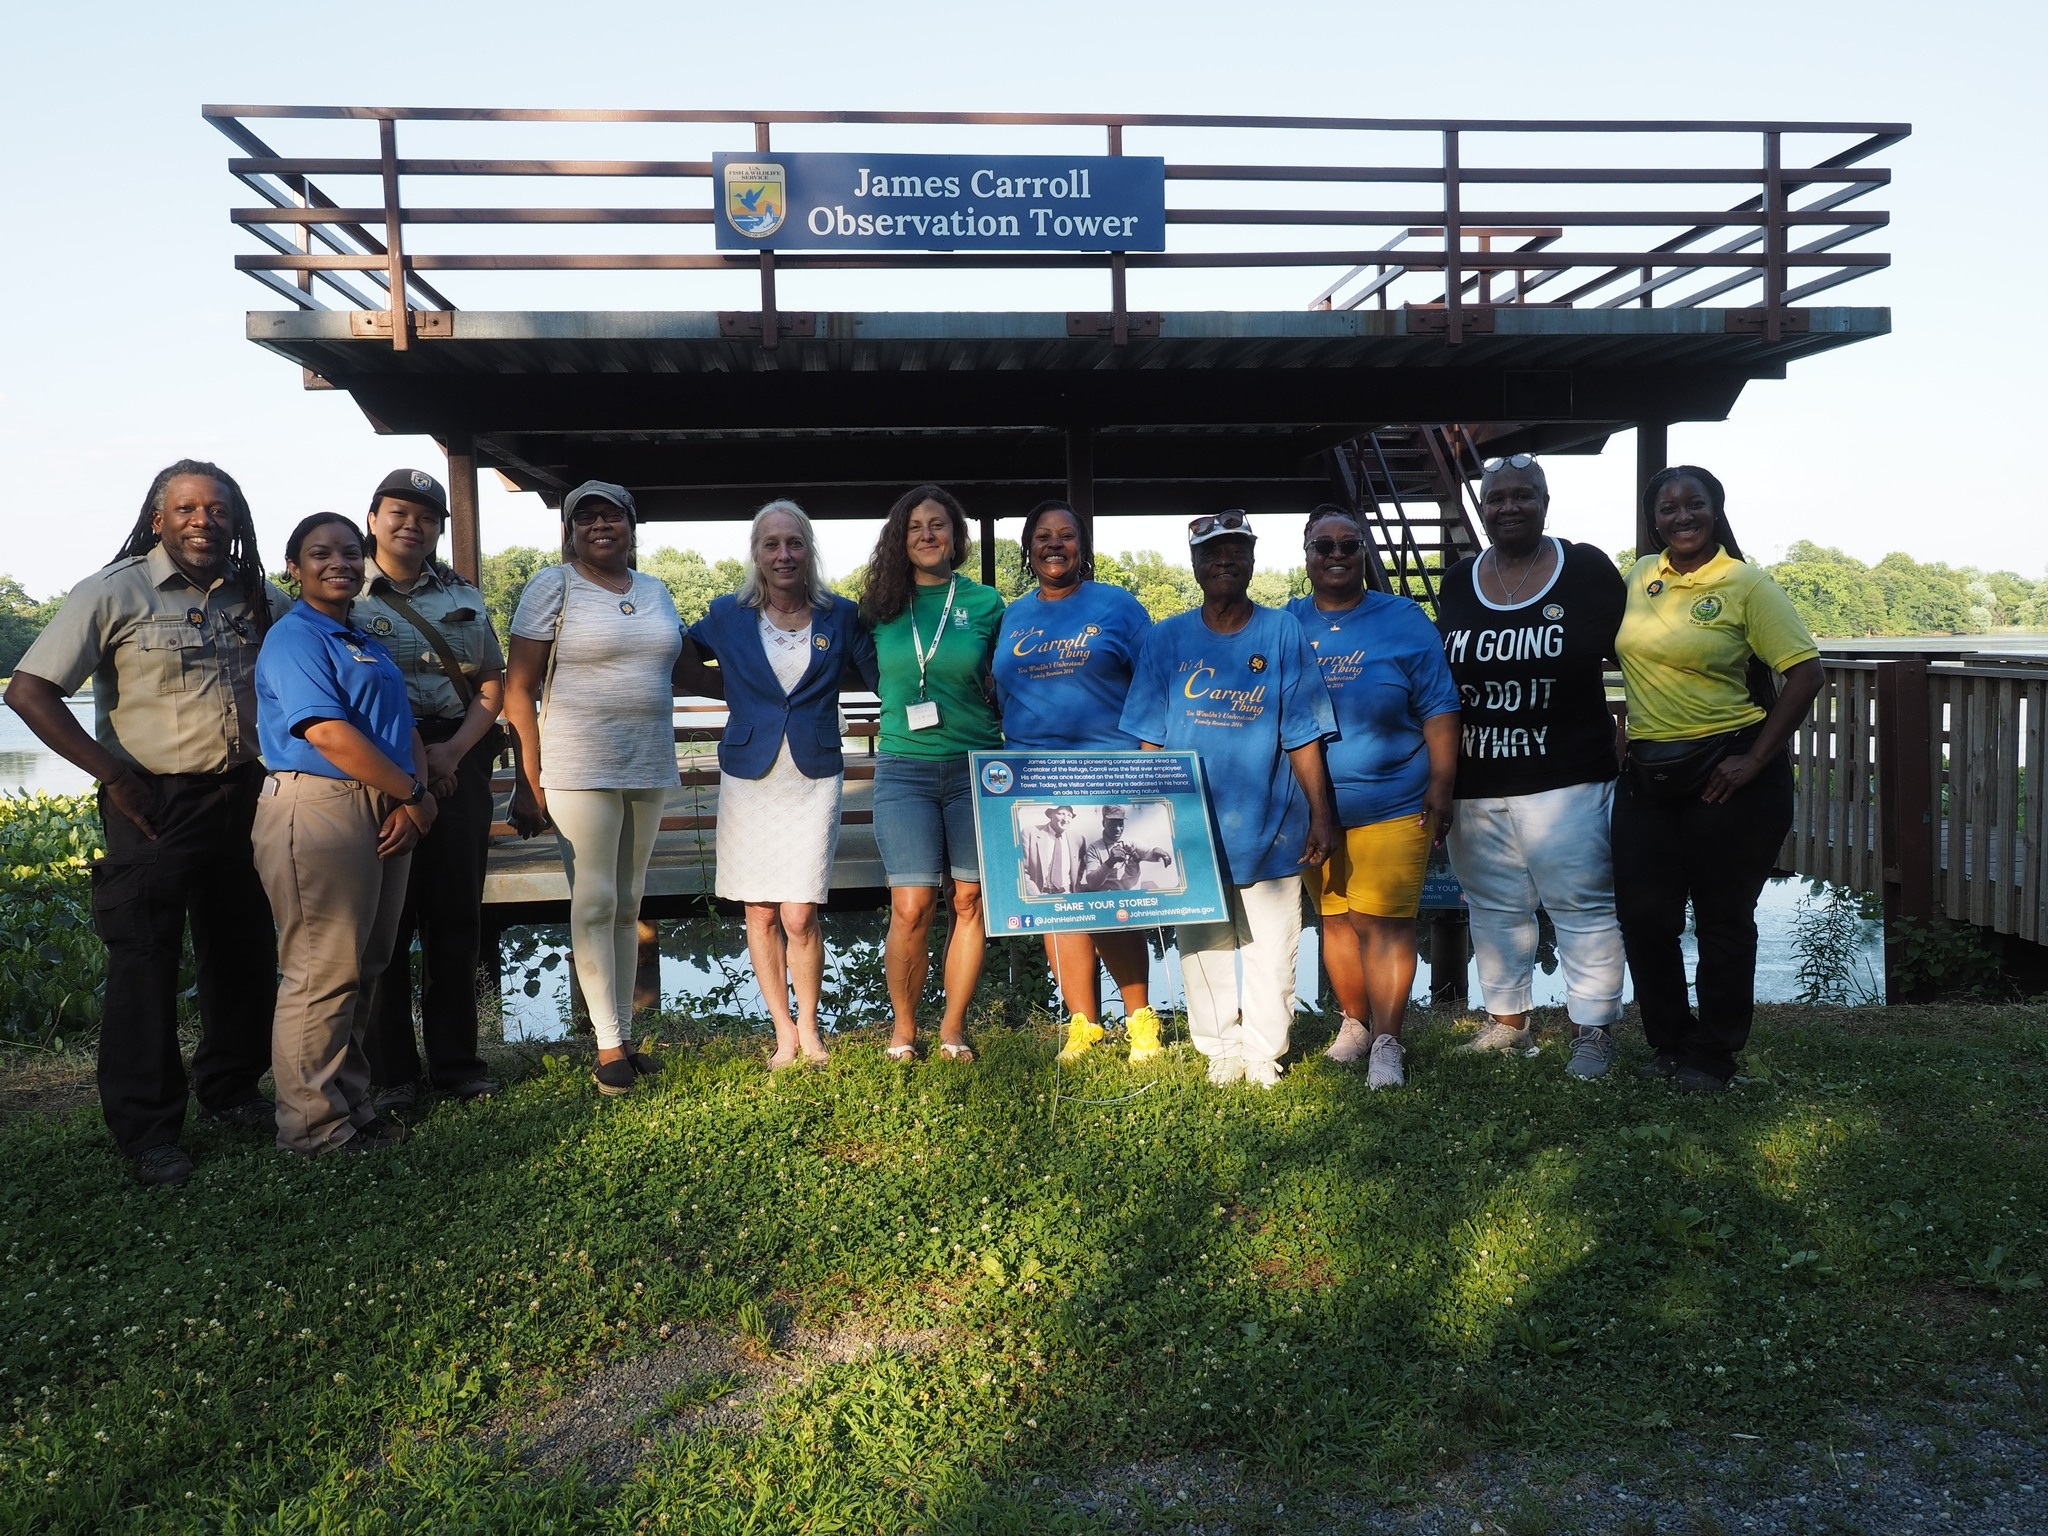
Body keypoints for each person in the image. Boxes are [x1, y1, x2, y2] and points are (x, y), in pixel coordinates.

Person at [5, 460, 285, 1186]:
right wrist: (115, 776)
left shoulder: (258, 595)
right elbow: (31, 693)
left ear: (236, 519)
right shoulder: (112, 590)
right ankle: (149, 1130)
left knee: (244, 950)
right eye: (187, 509)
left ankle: (230, 1090)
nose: (203, 520)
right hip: (153, 802)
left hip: (246, 793)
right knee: (144, 960)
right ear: (158, 519)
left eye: (217, 509)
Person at [1613, 466, 1823, 1093]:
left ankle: (1715, 1053)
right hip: (1649, 771)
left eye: (1694, 505)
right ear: (1654, 518)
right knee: (1645, 916)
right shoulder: (1640, 576)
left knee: (1722, 918)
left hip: (1727, 770)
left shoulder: (1746, 583)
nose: (1681, 517)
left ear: (1715, 509)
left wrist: (1756, 759)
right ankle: (1670, 1041)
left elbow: (1806, 673)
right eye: (1668, 507)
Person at [1120, 512, 1336, 1089]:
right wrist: (1145, 823)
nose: (1224, 561)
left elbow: (1303, 733)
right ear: (1194, 565)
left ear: (1252, 560)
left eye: (1236, 551)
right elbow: (1148, 739)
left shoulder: (1281, 632)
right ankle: (1219, 1045)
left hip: (1273, 825)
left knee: (1273, 946)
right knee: (1202, 945)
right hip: (1189, 830)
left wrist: (1322, 813)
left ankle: (1265, 1051)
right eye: (1212, 553)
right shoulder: (1164, 640)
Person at [1434, 455, 1630, 1080]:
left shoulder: (1587, 571)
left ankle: (1592, 1029)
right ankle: (1506, 1022)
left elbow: (1642, 650)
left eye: (1523, 496)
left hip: (1567, 778)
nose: (1509, 507)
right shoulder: (1461, 580)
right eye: (1496, 498)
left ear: (1547, 501)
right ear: (1482, 507)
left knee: (1582, 905)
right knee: (1493, 906)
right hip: (1477, 779)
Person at [253, 513, 434, 1157]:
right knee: (320, 971)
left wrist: (414, 794)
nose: (340, 563)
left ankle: (348, 1104)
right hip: (319, 808)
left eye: (351, 553)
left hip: (382, 803)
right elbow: (326, 732)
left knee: (366, 963)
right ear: (294, 569)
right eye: (320, 553)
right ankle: (310, 1126)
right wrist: (412, 793)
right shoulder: (295, 638)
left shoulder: (359, 637)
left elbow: (398, 722)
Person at [504, 481, 685, 1095]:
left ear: (633, 527)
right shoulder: (552, 586)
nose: (600, 525)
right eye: (587, 518)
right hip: (578, 768)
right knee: (595, 899)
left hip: (650, 762)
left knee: (631, 903)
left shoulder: (657, 592)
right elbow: (519, 689)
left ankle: (625, 1037)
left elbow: (674, 666)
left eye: (612, 516)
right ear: (570, 529)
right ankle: (606, 1047)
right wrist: (531, 777)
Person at [685, 499, 876, 1070]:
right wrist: (739, 698)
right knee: (761, 912)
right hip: (750, 776)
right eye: (771, 544)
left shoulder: (841, 615)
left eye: (794, 543)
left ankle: (812, 1027)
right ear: (756, 554)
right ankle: (785, 1034)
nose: (783, 554)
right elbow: (676, 661)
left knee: (799, 913)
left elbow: (880, 671)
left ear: (809, 550)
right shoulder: (726, 614)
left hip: (813, 773)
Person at [1286, 506, 1460, 1090]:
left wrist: (1442, 782)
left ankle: (1388, 1041)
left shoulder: (1404, 618)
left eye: (1348, 545)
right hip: (1315, 810)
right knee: (1335, 920)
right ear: (1305, 555)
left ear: (1363, 553)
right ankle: (1354, 1025)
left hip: (1394, 798)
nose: (1336, 556)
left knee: (1381, 922)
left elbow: (1438, 703)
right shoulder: (1286, 623)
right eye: (1323, 547)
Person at [350, 469, 507, 1114]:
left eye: (425, 516)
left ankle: (457, 1063)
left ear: (440, 527)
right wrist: (416, 764)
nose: (410, 524)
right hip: (377, 764)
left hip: (457, 755)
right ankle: (392, 1072)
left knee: (454, 915)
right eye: (397, 512)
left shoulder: (461, 595)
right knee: (388, 918)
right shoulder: (341, 592)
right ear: (373, 518)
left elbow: (491, 681)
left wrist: (451, 752)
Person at [991, 499, 1164, 1063]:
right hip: (1034, 778)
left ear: (1082, 548)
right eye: (1043, 536)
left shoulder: (1116, 606)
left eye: (1066, 536)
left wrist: (1146, 758)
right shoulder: (1012, 614)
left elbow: (1155, 680)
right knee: (1056, 899)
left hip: (1108, 773)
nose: (1055, 545)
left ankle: (1141, 1021)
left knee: (1112, 894)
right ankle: (1083, 1025)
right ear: (1028, 547)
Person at [858, 484, 1006, 1064]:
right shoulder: (876, 607)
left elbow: (1008, 680)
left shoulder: (988, 603)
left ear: (955, 536)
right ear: (901, 537)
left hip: (975, 767)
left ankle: (951, 1028)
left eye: (938, 525)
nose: (927, 535)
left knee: (968, 899)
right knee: (912, 904)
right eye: (915, 526)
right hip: (904, 769)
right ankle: (903, 1028)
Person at [1077, 804, 1173, 892]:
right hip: (1108, 900)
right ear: (1104, 823)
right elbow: (1092, 884)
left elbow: (1148, 852)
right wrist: (1110, 862)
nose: (1118, 829)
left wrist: (1157, 851)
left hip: (1131, 898)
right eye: (1113, 824)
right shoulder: (1094, 848)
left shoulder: (1133, 843)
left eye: (1120, 824)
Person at [1023, 805, 1083, 896]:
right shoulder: (1030, 833)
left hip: (1068, 894)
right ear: (1051, 814)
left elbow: (1081, 869)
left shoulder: (1078, 839)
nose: (1066, 819)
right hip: (1041, 894)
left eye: (1069, 815)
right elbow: (1022, 871)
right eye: (1061, 814)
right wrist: (1036, 897)